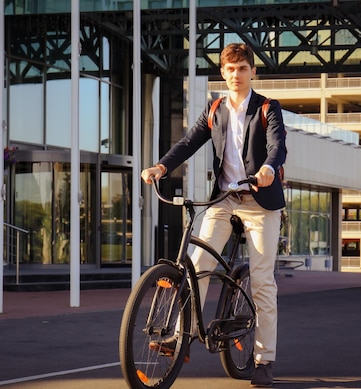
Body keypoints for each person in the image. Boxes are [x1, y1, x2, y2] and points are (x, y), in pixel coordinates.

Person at [140, 42, 286, 388]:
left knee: (263, 282)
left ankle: (264, 359)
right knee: (198, 266)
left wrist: (268, 167)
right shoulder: (215, 109)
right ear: (223, 73)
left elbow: (278, 145)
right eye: (230, 69)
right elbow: (189, 141)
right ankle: (178, 338)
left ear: (253, 71)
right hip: (223, 199)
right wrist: (162, 165)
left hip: (260, 202)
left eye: (242, 68)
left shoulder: (267, 108)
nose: (236, 75)